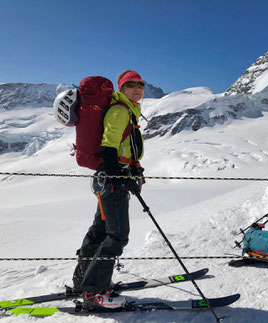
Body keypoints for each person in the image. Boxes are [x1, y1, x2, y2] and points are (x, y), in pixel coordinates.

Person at [72, 70, 145, 309]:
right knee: (117, 235)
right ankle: (94, 292)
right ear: (121, 89)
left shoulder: (127, 110)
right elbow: (109, 143)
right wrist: (116, 175)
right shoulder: (120, 110)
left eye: (140, 85)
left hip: (111, 178)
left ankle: (83, 282)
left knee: (100, 231)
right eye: (131, 85)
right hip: (114, 179)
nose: (137, 89)